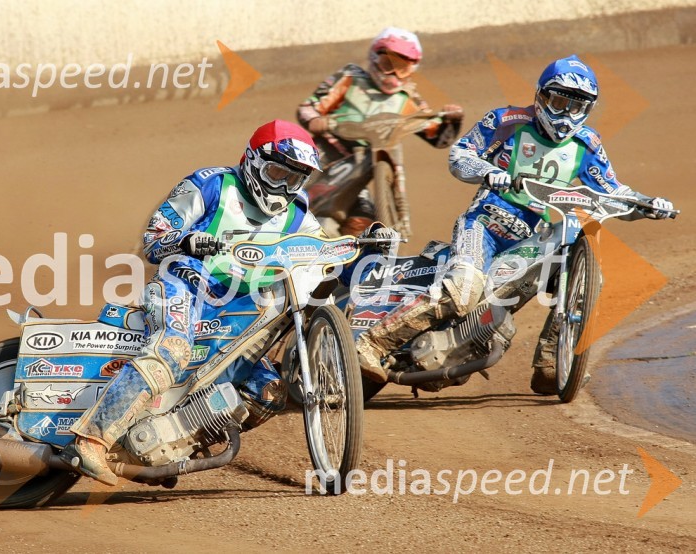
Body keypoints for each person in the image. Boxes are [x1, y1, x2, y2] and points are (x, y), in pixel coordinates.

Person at [64, 120, 395, 485]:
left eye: (295, 179)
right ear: (253, 161)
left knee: (267, 392)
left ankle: (172, 447)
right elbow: (153, 239)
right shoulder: (211, 184)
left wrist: (369, 249)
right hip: (185, 286)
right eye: (276, 173)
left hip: (240, 311)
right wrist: (186, 241)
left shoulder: (298, 215)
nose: (284, 187)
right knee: (171, 350)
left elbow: (326, 262)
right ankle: (91, 439)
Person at [355, 55, 675, 393]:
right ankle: (372, 345)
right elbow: (460, 155)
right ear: (541, 96)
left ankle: (552, 362)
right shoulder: (506, 120)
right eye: (558, 101)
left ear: (588, 109)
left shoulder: (588, 145)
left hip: (528, 238)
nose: (565, 114)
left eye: (575, 106)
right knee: (462, 293)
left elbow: (612, 192)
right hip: (482, 227)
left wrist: (647, 204)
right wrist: (488, 171)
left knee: (588, 280)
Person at [297, 26, 464, 236]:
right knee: (303, 207)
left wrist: (452, 120)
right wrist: (315, 119)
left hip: (366, 172)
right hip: (327, 158)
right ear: (374, 58)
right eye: (388, 64)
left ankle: (364, 257)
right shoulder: (350, 78)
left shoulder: (408, 98)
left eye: (401, 68)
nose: (393, 73)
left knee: (361, 225)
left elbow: (437, 136)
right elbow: (308, 106)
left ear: (412, 70)